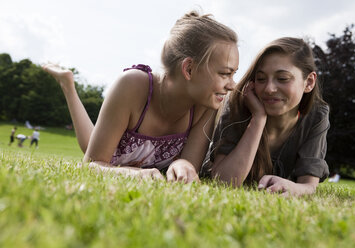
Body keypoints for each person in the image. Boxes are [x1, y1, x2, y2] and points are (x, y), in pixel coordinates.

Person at [43, 11, 239, 183]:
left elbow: (188, 167)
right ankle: (68, 85)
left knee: (94, 143)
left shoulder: (206, 105)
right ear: (189, 68)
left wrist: (182, 167)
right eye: (225, 74)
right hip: (112, 155)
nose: (231, 85)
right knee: (90, 146)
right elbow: (91, 165)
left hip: (128, 156)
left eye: (233, 74)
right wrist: (132, 174)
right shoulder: (132, 85)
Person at [203, 37, 330, 196]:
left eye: (282, 78)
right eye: (261, 79)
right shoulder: (237, 104)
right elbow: (224, 181)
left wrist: (294, 188)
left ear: (309, 82)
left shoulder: (316, 115)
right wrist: (258, 119)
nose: (269, 89)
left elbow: (308, 186)